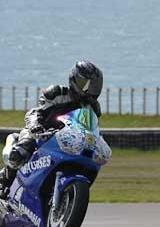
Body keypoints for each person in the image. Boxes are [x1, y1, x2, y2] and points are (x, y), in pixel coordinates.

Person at [0, 61, 103, 197]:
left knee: (88, 162)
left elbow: (93, 128)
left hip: (69, 140)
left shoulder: (93, 108)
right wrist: (35, 126)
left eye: (93, 86)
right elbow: (36, 112)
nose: (89, 90)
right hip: (41, 133)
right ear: (74, 80)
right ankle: (3, 183)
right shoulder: (57, 93)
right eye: (85, 84)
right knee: (20, 152)